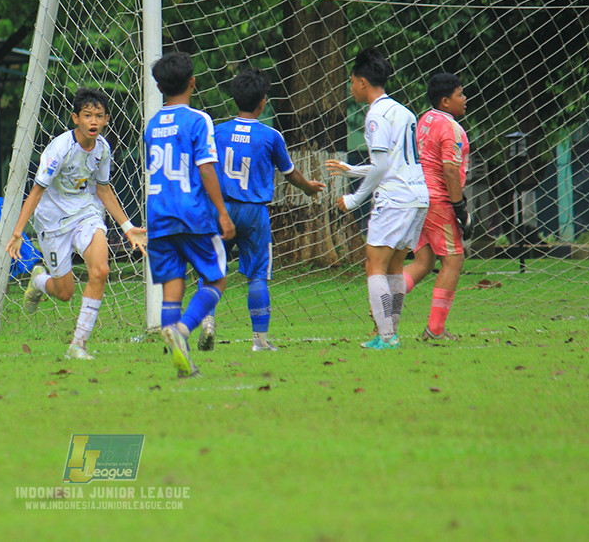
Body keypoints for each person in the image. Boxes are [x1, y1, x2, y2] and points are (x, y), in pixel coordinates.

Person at [6, 88, 147, 361]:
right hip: (53, 222)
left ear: (106, 120)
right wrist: (18, 231)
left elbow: (104, 190)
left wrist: (128, 227)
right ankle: (39, 281)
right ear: (75, 118)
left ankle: (78, 345)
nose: (93, 122)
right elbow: (35, 192)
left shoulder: (103, 149)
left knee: (101, 269)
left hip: (86, 214)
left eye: (99, 116)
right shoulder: (59, 149)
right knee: (65, 293)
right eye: (87, 116)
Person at [202, 68, 325, 353]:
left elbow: (205, 168)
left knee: (210, 269)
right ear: (263, 102)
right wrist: (307, 188)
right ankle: (259, 341)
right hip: (254, 213)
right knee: (257, 275)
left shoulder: (217, 132)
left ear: (234, 99)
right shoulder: (270, 136)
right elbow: (290, 173)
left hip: (220, 210)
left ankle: (208, 321)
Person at [325, 48, 429, 350]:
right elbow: (391, 161)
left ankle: (387, 336)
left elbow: (383, 167)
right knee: (395, 266)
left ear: (362, 82)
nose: (350, 87)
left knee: (375, 265)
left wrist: (355, 200)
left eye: (351, 82)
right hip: (416, 196)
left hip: (395, 199)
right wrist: (352, 169)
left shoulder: (375, 115)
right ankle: (389, 332)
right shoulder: (403, 111)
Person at [143, 51, 235, 377]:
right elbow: (206, 168)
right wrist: (222, 212)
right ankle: (182, 331)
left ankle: (181, 364)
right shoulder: (198, 120)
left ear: (159, 86)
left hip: (158, 215)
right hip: (192, 214)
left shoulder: (152, 126)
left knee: (172, 287)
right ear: (192, 82)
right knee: (217, 278)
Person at [403, 73, 471, 341]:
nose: (464, 99)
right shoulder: (451, 128)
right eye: (460, 94)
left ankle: (382, 299)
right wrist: (458, 207)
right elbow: (450, 170)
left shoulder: (424, 120)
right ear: (445, 101)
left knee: (423, 261)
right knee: (454, 260)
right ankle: (436, 329)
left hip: (418, 198)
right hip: (438, 201)